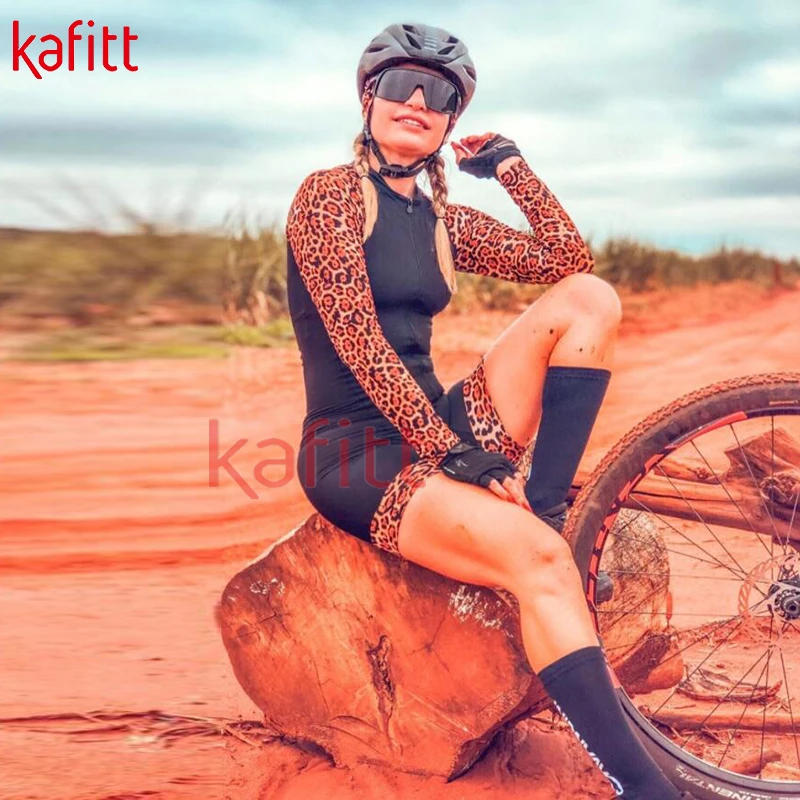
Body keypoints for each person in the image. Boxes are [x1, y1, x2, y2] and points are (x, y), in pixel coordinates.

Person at [286, 22, 693, 800]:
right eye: (400, 85)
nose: (417, 101)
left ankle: (548, 509)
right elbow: (359, 342)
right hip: (354, 453)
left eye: (438, 94)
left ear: (451, 119)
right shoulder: (327, 196)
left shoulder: (440, 220)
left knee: (588, 299)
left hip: (434, 423)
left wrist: (512, 167)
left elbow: (569, 262)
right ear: (368, 98)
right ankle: (646, 791)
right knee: (537, 567)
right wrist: (452, 453)